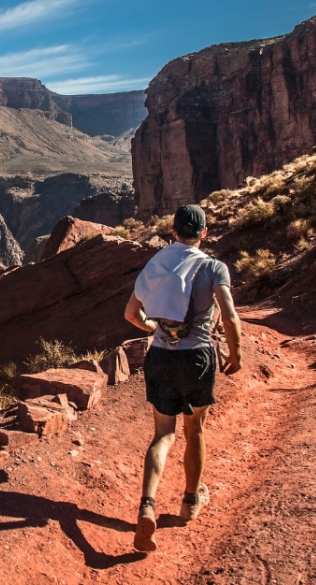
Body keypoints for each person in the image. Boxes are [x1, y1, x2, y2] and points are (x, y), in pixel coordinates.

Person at [123, 204, 242, 553]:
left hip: (160, 357)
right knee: (195, 430)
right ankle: (190, 501)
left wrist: (156, 329)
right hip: (198, 359)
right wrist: (235, 356)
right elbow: (231, 317)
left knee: (162, 434)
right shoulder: (212, 267)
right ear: (204, 233)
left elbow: (132, 313)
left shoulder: (156, 264)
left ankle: (147, 504)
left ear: (173, 231)